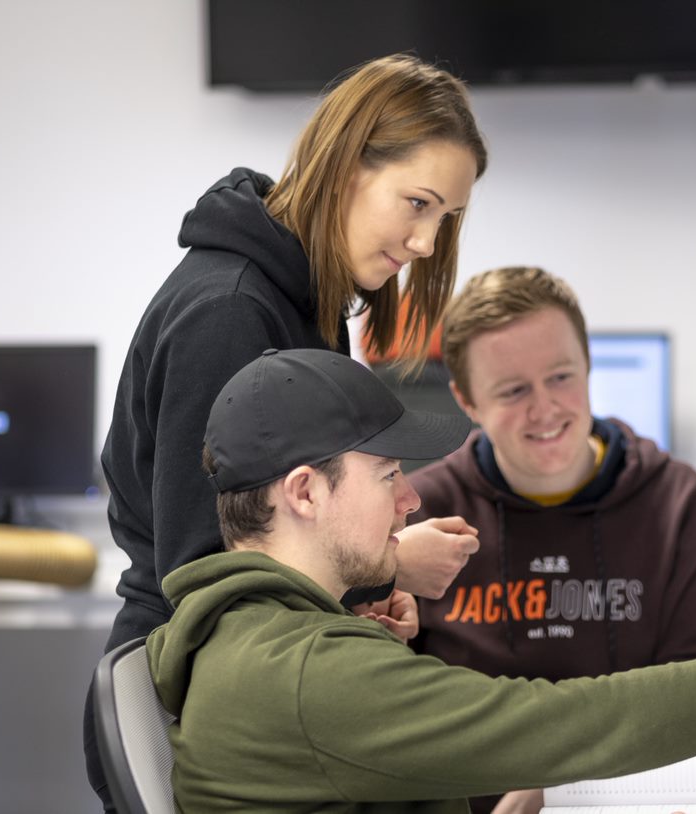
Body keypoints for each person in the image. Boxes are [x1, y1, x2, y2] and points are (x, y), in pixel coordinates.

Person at [148, 346, 696, 813]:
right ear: (303, 492)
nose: (407, 500)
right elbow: (578, 720)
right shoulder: (303, 672)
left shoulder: (255, 635)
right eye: (386, 475)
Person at [83, 54, 487, 809]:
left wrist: (360, 589)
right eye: (418, 203)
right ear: (346, 164)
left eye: (446, 219)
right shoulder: (232, 314)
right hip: (201, 706)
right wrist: (389, 566)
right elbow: (209, 564)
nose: (427, 244)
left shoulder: (303, 299)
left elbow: (281, 538)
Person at [406, 266, 696, 813]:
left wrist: (565, 789)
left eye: (561, 377)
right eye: (512, 390)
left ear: (588, 364)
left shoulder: (677, 502)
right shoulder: (419, 512)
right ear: (467, 401)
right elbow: (390, 710)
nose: (545, 409)